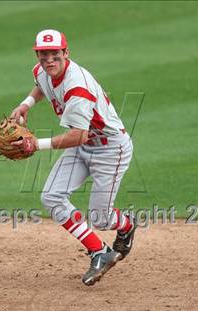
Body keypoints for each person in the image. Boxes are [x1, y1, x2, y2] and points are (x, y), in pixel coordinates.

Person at [10, 29, 136, 286]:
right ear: (37, 55)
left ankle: (126, 225)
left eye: (55, 54)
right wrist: (26, 105)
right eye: (43, 54)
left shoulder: (78, 87)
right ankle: (99, 252)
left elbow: (79, 135)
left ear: (66, 53)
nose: (49, 60)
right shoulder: (42, 71)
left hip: (110, 149)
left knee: (102, 218)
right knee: (51, 196)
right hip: (83, 147)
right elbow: (40, 86)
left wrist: (36, 144)